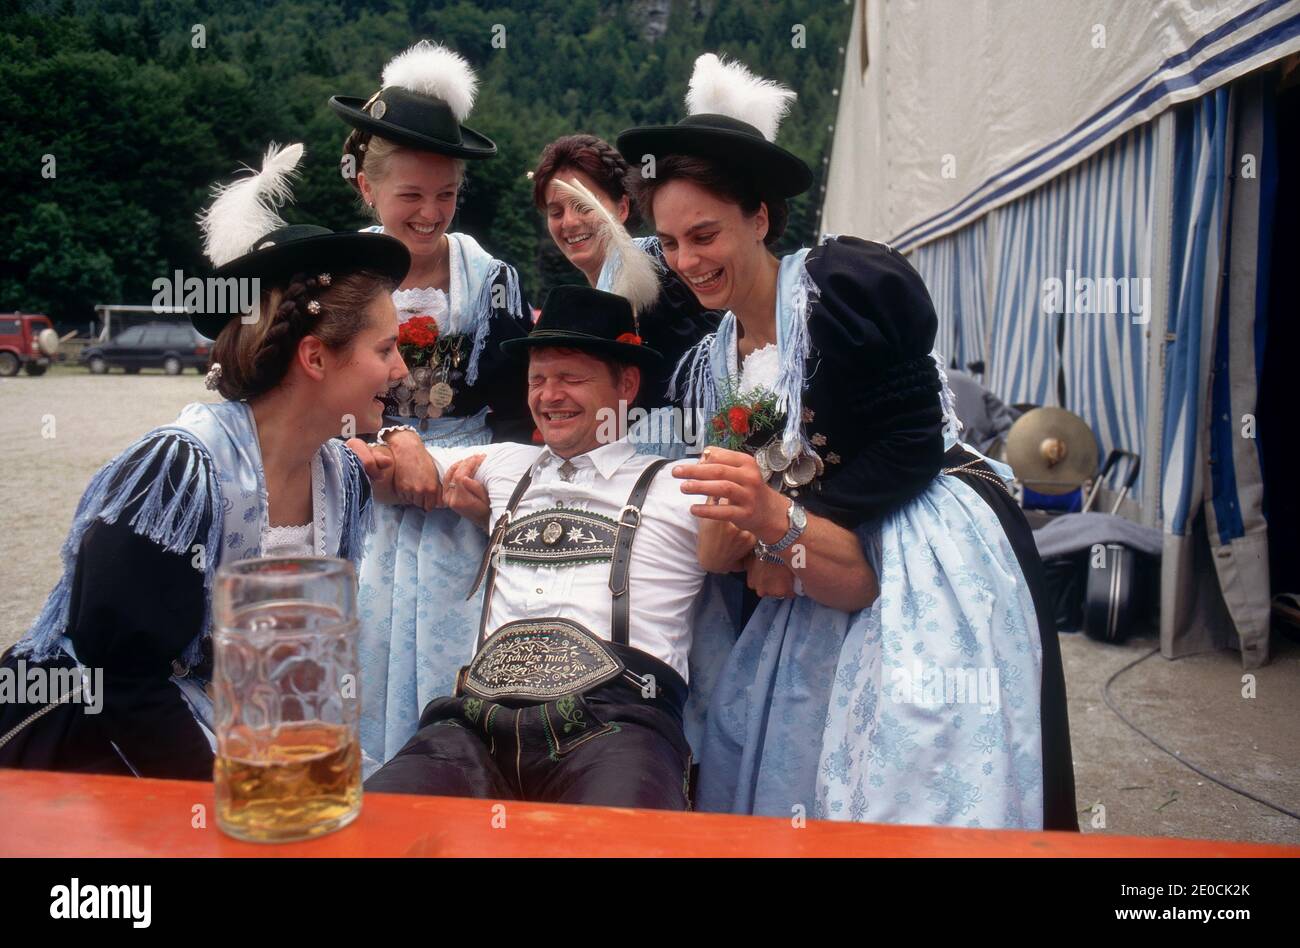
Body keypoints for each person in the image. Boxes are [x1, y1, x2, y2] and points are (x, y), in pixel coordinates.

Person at [619, 53, 1076, 829]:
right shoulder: (714, 356)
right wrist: (765, 539)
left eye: (705, 235)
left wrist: (788, 525)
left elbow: (911, 442)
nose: (688, 262)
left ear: (759, 217)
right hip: (812, 559)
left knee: (917, 758)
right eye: (669, 242)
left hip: (919, 539)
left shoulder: (843, 287)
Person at [0, 143, 409, 778]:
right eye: (386, 348)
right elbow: (117, 678)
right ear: (316, 357)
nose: (402, 369)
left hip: (229, 729)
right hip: (103, 750)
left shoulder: (342, 477)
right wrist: (222, 799)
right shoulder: (178, 471)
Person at [350, 286, 718, 808]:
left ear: (627, 383)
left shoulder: (681, 486)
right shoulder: (502, 463)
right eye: (537, 380)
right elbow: (384, 476)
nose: (549, 396)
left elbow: (778, 561)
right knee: (376, 825)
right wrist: (399, 439)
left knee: (625, 841)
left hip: (614, 725)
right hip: (475, 720)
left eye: (571, 378)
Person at [328, 40, 534, 768]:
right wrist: (390, 441)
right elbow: (311, 399)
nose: (430, 212)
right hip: (360, 498)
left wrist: (478, 487)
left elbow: (519, 416)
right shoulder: (332, 281)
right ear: (366, 190)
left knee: (460, 680)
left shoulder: (492, 282)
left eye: (446, 194)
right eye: (411, 195)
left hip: (462, 507)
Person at [530, 134, 721, 414]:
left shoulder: (662, 284)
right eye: (556, 212)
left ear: (621, 207)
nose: (569, 222)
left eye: (584, 206)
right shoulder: (600, 294)